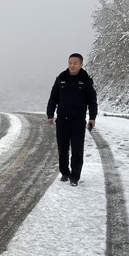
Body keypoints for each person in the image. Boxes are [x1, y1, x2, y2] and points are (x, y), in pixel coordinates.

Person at [46, 53, 98, 186]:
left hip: (78, 121)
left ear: (81, 65)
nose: (72, 65)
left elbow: (92, 101)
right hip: (62, 120)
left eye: (75, 63)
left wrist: (92, 117)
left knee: (77, 149)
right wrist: (50, 114)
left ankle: (75, 177)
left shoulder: (86, 80)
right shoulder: (61, 78)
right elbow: (53, 98)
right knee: (62, 148)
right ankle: (65, 172)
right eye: (70, 63)